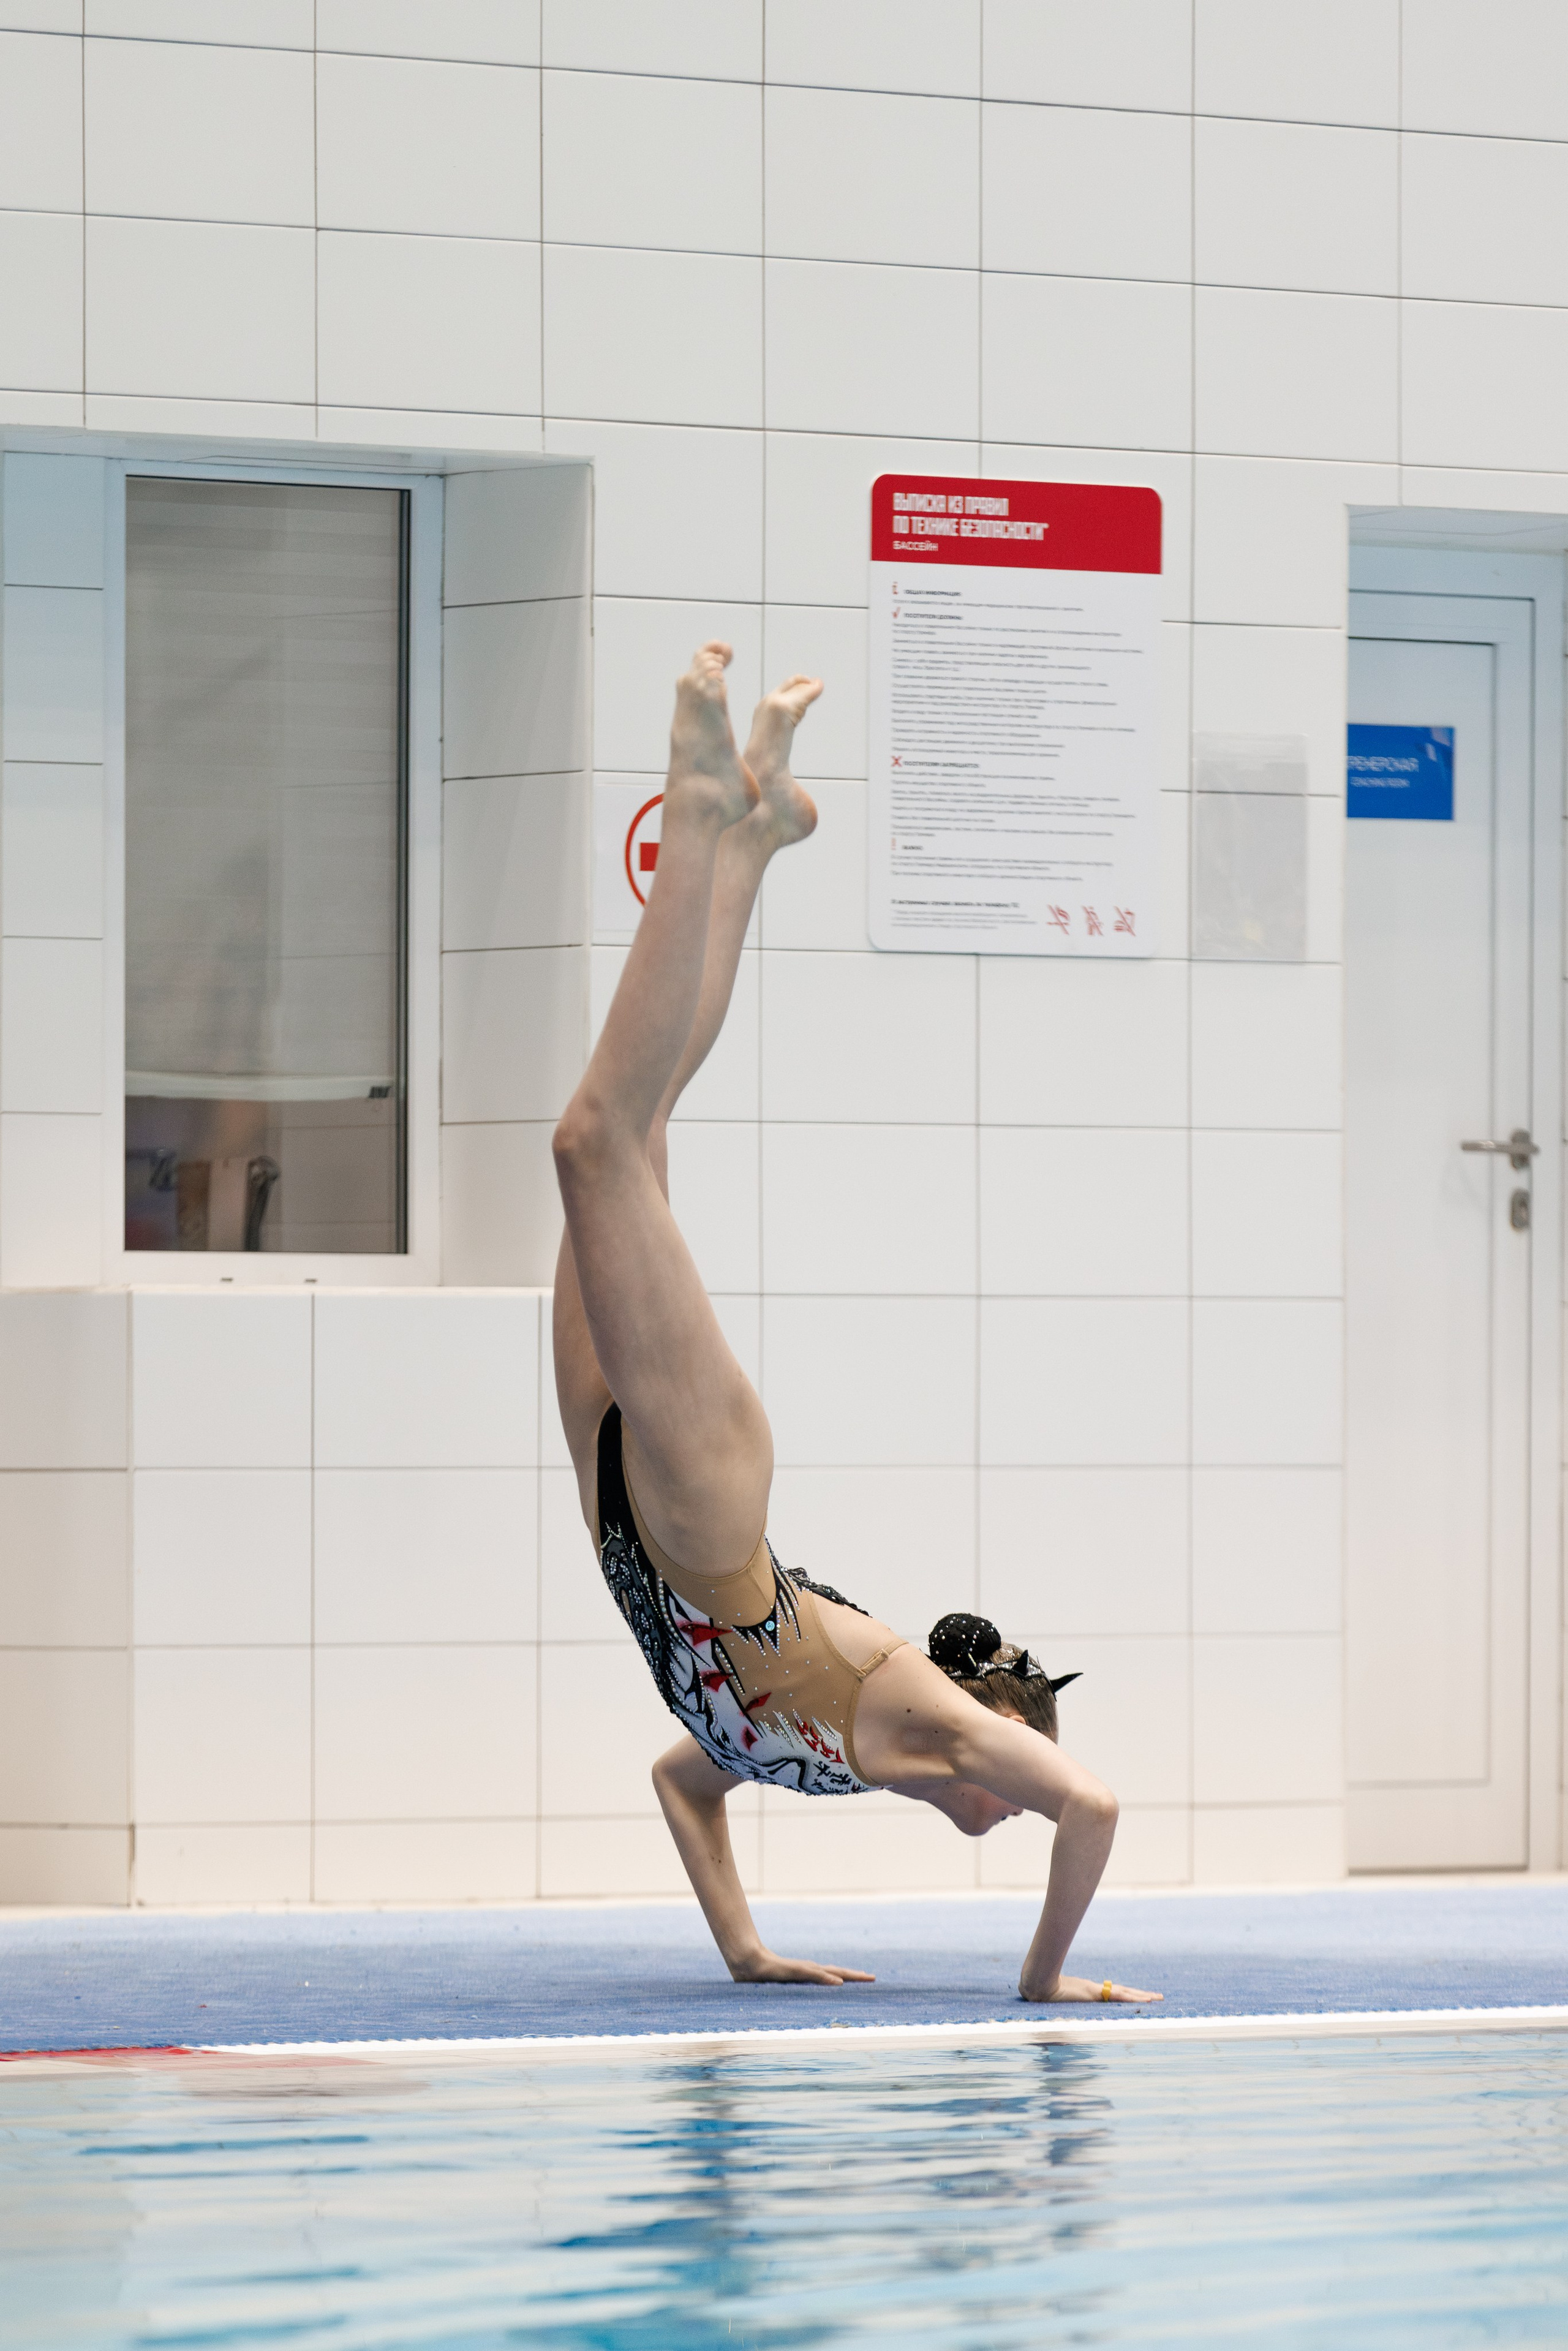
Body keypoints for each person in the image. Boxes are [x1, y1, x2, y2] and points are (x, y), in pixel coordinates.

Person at [552, 643, 1159, 2008]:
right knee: (596, 1139)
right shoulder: (947, 1729)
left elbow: (680, 1773)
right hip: (705, 1524)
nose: (1007, 1809)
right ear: (997, 1728)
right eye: (1009, 1783)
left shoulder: (820, 1756)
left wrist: (745, 1947)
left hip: (615, 1514)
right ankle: (701, 810)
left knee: (630, 1136)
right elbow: (1096, 1804)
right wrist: (1042, 1977)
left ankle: (752, 841)